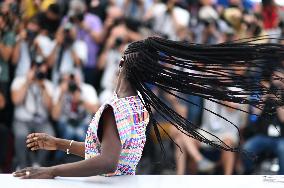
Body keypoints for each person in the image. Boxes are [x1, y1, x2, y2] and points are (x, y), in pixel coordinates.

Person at [13, 36, 284, 178]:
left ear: (121, 65)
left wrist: (50, 171)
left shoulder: (115, 109)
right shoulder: (139, 106)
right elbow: (108, 153)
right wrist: (59, 144)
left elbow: (107, 160)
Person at [11, 60, 55, 169]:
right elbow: (16, 100)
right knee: (21, 135)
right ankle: (22, 165)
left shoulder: (47, 84)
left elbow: (50, 108)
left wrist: (42, 87)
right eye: (37, 70)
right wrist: (27, 82)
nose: (39, 73)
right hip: (22, 120)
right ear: (31, 69)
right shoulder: (19, 81)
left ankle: (38, 164)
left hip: (42, 121)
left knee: (50, 135)